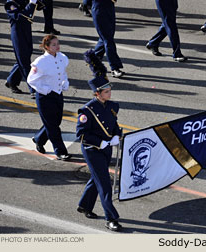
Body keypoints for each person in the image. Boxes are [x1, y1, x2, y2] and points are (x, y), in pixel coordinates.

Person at [76, 49, 123, 232]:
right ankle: (111, 218)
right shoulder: (86, 111)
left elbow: (114, 125)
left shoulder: (112, 107)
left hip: (106, 148)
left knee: (97, 178)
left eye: (110, 90)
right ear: (98, 93)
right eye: (107, 91)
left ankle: (85, 205)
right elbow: (81, 135)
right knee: (104, 183)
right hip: (93, 150)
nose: (110, 93)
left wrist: (117, 135)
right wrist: (101, 143)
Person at [27, 34, 71, 161]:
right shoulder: (40, 62)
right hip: (45, 97)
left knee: (55, 122)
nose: (57, 46)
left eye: (58, 43)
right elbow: (31, 80)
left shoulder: (62, 58)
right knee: (53, 126)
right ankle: (60, 151)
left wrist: (65, 83)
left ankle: (39, 139)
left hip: (58, 94)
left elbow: (63, 74)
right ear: (46, 47)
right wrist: (45, 90)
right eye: (54, 44)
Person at [4, 0, 37, 97]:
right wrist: (31, 4)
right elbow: (21, 17)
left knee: (24, 57)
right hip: (18, 33)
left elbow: (40, 6)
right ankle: (33, 88)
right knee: (24, 61)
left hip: (27, 30)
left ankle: (11, 80)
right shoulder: (11, 4)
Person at [91, 0, 124, 78]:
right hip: (99, 9)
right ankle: (114, 68)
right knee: (108, 40)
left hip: (109, 8)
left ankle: (94, 61)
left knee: (104, 39)